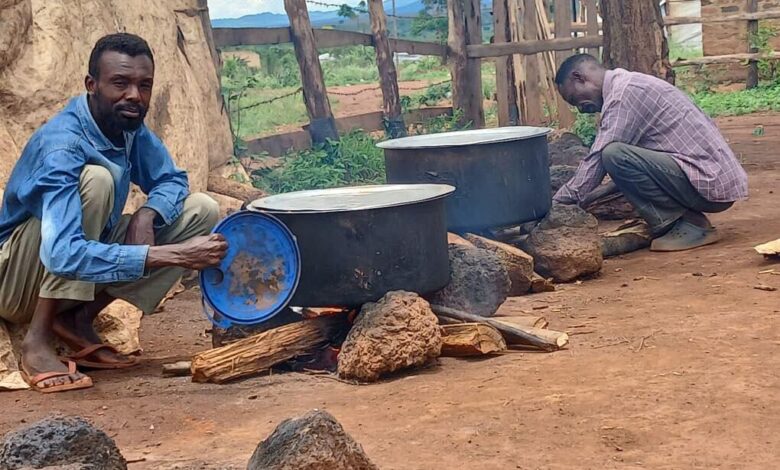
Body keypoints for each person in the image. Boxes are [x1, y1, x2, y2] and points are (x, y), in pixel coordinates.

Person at [0, 33, 228, 392]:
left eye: (144, 85)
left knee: (202, 210)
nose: (134, 95)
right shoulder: (62, 144)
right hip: (15, 281)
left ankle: (78, 318)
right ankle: (37, 340)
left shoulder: (126, 127)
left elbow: (171, 179)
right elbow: (62, 254)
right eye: (120, 83)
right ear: (91, 84)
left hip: (71, 269)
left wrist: (147, 214)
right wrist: (173, 255)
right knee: (96, 181)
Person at [553, 54, 748, 252]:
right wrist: (591, 195)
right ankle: (686, 220)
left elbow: (599, 159)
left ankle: (689, 225)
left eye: (574, 99)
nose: (581, 110)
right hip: (710, 176)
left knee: (613, 154)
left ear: (579, 77)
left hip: (709, 182)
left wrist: (557, 203)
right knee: (616, 156)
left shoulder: (623, 95)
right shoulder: (627, 84)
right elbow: (637, 168)